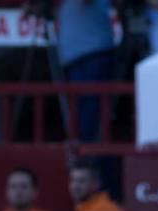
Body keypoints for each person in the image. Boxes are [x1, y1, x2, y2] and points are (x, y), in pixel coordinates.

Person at [56, 0, 116, 142]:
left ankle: (90, 154)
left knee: (91, 111)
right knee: (79, 108)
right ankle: (83, 149)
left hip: (93, 52)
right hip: (75, 55)